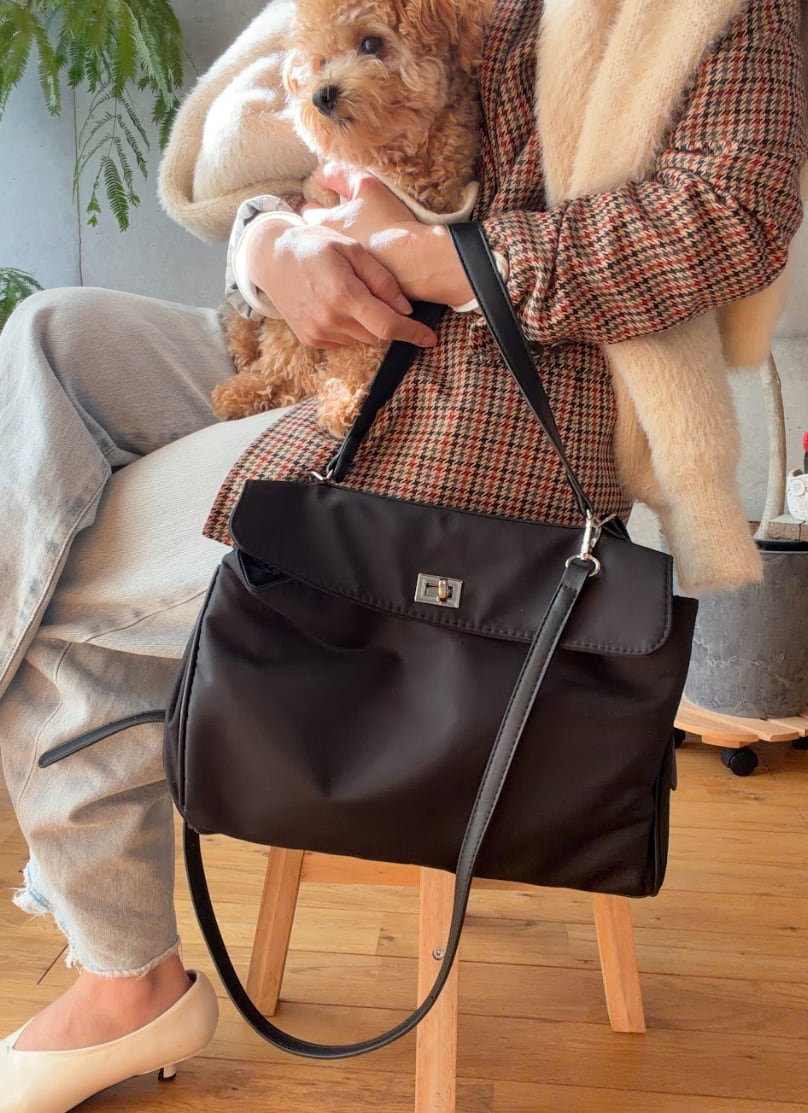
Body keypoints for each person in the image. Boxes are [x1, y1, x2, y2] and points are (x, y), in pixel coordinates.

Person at [0, 0, 805, 1109]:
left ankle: (124, 980)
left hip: (495, 387)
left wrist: (452, 259)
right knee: (49, 340)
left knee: (64, 576)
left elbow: (732, 211)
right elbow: (281, 134)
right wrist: (270, 247)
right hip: (320, 331)